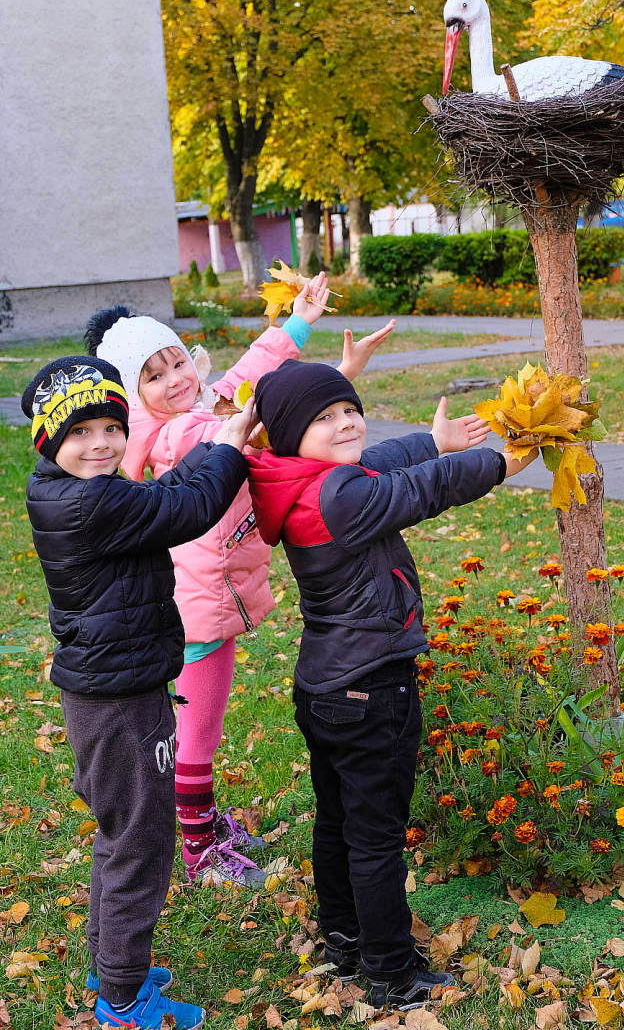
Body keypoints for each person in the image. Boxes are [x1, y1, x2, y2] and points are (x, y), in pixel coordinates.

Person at [247, 360, 537, 1011]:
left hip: (323, 687)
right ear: (292, 435)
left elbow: (380, 462)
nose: (345, 421)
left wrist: (432, 438)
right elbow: (422, 490)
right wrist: (500, 464)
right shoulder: (339, 497)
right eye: (324, 418)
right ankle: (391, 974)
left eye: (348, 408)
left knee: (337, 823)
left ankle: (344, 939)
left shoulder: (300, 480)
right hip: (372, 688)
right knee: (375, 838)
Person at [86, 278, 394, 887]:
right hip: (195, 604)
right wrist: (332, 380)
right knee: (198, 731)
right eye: (154, 375)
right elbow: (246, 424)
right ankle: (199, 845)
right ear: (134, 395)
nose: (176, 378)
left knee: (205, 720)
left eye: (177, 360)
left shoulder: (202, 407)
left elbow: (253, 370)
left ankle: (199, 820)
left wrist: (300, 323)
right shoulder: (175, 433)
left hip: (214, 597)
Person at [23, 356, 259, 1030]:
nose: (99, 444)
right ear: (48, 440)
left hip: (108, 691)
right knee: (142, 844)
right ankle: (123, 1002)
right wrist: (231, 447)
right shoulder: (92, 501)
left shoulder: (68, 489)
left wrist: (212, 448)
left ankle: (110, 966)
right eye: (79, 433)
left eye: (110, 427)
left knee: (118, 833)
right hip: (121, 702)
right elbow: (187, 505)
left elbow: (163, 495)